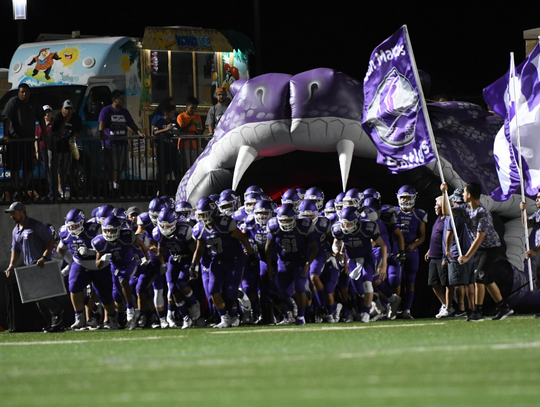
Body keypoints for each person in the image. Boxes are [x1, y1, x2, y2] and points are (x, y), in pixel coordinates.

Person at [440, 182, 513, 321]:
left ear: (469, 195)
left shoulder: (482, 213)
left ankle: (476, 312)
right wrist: (444, 193)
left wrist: (467, 256)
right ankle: (504, 307)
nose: (462, 195)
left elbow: (480, 237)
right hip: (480, 250)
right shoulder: (466, 208)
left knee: (479, 278)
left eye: (464, 193)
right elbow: (446, 211)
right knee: (487, 279)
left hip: (491, 248)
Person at [3, 202, 64, 332]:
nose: (12, 216)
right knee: (36, 297)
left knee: (43, 294)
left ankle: (57, 315)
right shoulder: (16, 230)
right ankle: (50, 323)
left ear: (22, 212)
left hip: (41, 264)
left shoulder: (36, 226)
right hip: (29, 266)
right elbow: (15, 249)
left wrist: (44, 257)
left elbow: (50, 241)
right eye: (11, 214)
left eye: (14, 213)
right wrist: (11, 265)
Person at [1, 83, 47, 200]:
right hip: (15, 140)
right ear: (18, 93)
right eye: (22, 92)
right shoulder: (13, 102)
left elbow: (41, 117)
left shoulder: (34, 102)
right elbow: (6, 118)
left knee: (28, 167)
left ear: (29, 92)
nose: (24, 94)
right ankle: (16, 190)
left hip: (28, 140)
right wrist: (6, 135)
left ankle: (24, 188)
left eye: (26, 92)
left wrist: (45, 134)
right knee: (14, 167)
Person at [99, 90, 146, 196]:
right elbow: (101, 123)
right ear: (115, 100)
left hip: (122, 143)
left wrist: (139, 132)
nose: (122, 100)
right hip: (110, 144)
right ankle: (110, 187)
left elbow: (131, 124)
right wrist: (102, 134)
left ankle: (116, 187)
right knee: (111, 166)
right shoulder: (106, 110)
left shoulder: (124, 112)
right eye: (120, 98)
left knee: (119, 167)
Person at [49, 100, 82, 198]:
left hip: (68, 146)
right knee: (54, 168)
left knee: (65, 168)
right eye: (66, 109)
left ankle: (63, 188)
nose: (68, 111)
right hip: (55, 147)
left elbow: (80, 131)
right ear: (62, 109)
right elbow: (56, 133)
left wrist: (75, 137)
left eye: (70, 109)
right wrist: (64, 121)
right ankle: (55, 190)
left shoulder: (76, 118)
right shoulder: (58, 118)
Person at [424, 196, 451, 317]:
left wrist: (446, 255)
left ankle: (450, 307)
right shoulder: (438, 219)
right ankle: (445, 304)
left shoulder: (448, 220)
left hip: (441, 256)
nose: (435, 207)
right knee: (433, 282)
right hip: (433, 256)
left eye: (437, 205)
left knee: (446, 283)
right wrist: (429, 250)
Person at [153, 105, 180, 194]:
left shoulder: (174, 122)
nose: (173, 115)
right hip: (162, 150)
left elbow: (177, 133)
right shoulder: (160, 122)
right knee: (162, 171)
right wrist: (166, 129)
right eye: (172, 113)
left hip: (173, 149)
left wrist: (175, 130)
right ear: (166, 114)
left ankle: (177, 190)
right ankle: (161, 190)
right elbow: (155, 132)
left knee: (176, 170)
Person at [176, 97, 203, 175]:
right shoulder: (181, 116)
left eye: (195, 108)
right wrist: (190, 124)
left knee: (194, 165)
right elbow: (180, 130)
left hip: (194, 144)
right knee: (185, 165)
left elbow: (200, 130)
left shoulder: (197, 117)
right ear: (187, 106)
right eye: (192, 108)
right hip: (184, 144)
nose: (193, 110)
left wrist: (198, 131)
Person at [35, 105, 53, 198]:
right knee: (47, 170)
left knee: (51, 170)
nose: (47, 114)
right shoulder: (40, 125)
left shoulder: (53, 124)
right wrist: (37, 150)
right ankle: (51, 190)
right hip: (42, 149)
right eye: (45, 112)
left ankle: (52, 191)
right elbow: (37, 138)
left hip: (51, 149)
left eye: (49, 112)